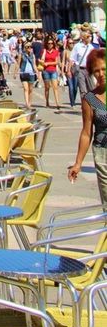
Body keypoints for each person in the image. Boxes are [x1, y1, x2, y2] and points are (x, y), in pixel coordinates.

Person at [68, 47, 107, 207]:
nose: (101, 74)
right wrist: (78, 163)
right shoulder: (90, 99)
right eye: (96, 71)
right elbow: (86, 132)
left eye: (104, 69)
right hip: (103, 154)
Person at [40, 34, 62, 111]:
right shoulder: (44, 51)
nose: (50, 45)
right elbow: (42, 60)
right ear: (46, 44)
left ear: (53, 44)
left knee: (55, 87)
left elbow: (57, 62)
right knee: (47, 87)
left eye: (51, 43)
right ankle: (47, 102)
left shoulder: (56, 51)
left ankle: (57, 103)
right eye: (48, 43)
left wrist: (48, 63)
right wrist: (44, 54)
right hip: (46, 71)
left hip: (53, 70)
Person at [17, 37, 38, 109]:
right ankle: (27, 104)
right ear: (25, 48)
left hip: (31, 73)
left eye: (30, 47)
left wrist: (37, 73)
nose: (29, 48)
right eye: (27, 47)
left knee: (31, 89)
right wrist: (15, 72)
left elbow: (34, 65)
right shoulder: (21, 54)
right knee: (26, 89)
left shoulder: (33, 55)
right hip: (23, 73)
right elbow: (18, 63)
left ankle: (30, 102)